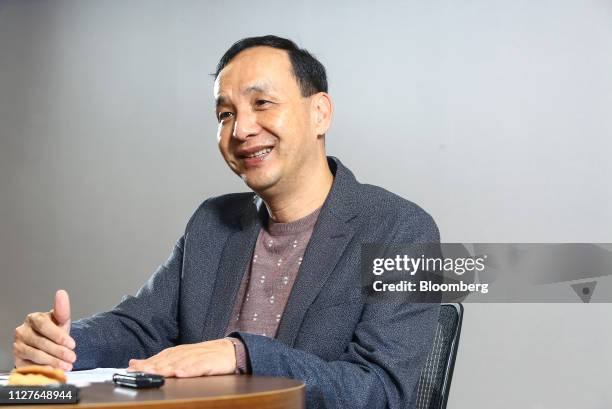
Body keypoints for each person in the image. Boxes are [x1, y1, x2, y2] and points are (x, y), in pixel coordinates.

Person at [13, 35, 440, 409]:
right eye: (225, 115)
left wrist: (243, 354)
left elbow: (381, 392)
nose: (241, 130)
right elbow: (143, 326)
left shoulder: (406, 231)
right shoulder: (211, 222)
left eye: (262, 103)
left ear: (320, 113)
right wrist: (64, 345)